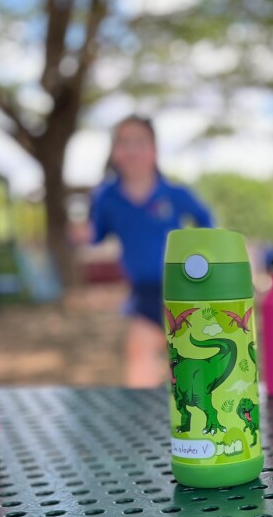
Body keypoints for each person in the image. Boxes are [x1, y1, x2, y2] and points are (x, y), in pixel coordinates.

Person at [81, 115, 214, 387]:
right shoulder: (106, 197)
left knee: (187, 356)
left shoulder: (174, 194)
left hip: (181, 288)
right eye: (123, 142)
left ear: (154, 151)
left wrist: (200, 256)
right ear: (114, 152)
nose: (131, 149)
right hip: (142, 291)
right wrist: (82, 234)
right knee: (138, 351)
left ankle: (195, 414)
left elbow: (206, 221)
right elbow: (96, 234)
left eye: (139, 142)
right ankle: (142, 418)